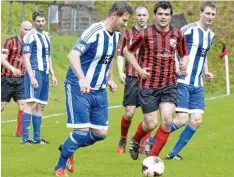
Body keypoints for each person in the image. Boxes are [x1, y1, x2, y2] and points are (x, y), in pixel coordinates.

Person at [54, 2, 133, 176]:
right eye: (124, 20)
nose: (125, 24)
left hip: (98, 90)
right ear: (114, 16)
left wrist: (110, 79)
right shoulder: (94, 32)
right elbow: (73, 55)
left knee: (100, 134)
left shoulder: (115, 36)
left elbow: (108, 58)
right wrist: (82, 78)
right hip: (78, 86)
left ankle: (69, 147)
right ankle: (59, 167)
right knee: (81, 132)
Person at [145, 1, 216, 160]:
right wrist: (176, 65)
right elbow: (172, 45)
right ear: (201, 13)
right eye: (207, 13)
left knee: (196, 120)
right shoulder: (189, 29)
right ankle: (151, 141)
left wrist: (206, 72)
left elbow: (202, 56)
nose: (210, 17)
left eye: (213, 14)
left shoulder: (210, 35)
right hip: (182, 81)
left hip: (197, 84)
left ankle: (173, 153)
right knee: (182, 119)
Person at [123, 1, 189, 160]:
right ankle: (135, 139)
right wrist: (139, 70)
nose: (163, 17)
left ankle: (151, 160)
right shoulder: (145, 34)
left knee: (167, 120)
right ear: (154, 15)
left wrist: (183, 65)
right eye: (160, 14)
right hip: (148, 86)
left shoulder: (177, 35)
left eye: (166, 14)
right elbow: (127, 50)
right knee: (151, 124)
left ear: (171, 16)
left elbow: (184, 54)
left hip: (169, 84)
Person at [116, 5, 152, 154]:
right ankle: (123, 138)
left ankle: (144, 144)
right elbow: (120, 54)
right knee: (129, 113)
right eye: (139, 15)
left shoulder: (153, 33)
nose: (142, 17)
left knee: (149, 114)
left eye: (144, 15)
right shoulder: (128, 33)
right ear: (134, 17)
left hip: (149, 78)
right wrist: (120, 71)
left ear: (148, 17)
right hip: (132, 76)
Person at [21, 11, 57, 144]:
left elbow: (48, 56)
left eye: (43, 21)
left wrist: (52, 74)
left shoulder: (47, 36)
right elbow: (26, 58)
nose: (41, 23)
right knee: (30, 103)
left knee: (41, 106)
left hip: (45, 73)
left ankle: (36, 138)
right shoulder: (29, 36)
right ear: (34, 21)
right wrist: (31, 77)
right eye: (38, 21)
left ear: (45, 21)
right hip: (35, 72)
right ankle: (25, 139)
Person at [1, 21, 32, 137]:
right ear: (20, 29)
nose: (27, 32)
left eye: (29, 30)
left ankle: (20, 133)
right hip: (7, 78)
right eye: (25, 29)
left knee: (23, 105)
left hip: (22, 80)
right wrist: (12, 69)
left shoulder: (30, 44)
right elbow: (2, 59)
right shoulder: (10, 42)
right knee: (2, 106)